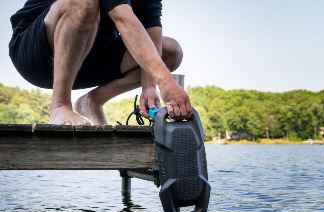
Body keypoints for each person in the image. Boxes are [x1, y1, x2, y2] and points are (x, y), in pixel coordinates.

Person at [9, 0, 192, 125]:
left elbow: (150, 25)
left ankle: (92, 101)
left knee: (170, 52)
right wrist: (167, 83)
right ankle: (60, 105)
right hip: (37, 54)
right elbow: (123, 18)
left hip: (91, 56)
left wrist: (149, 86)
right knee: (84, 2)